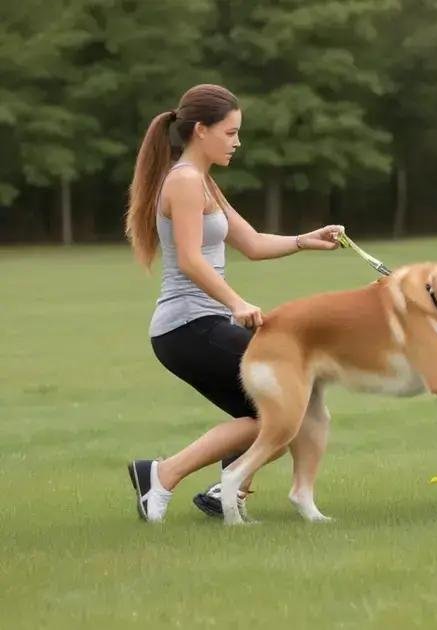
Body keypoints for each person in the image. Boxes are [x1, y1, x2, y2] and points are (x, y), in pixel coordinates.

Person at [123, 83, 345, 522]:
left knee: (279, 415)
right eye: (230, 132)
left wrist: (305, 240)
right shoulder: (184, 181)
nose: (237, 142)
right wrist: (237, 302)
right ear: (201, 130)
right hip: (188, 327)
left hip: (198, 325)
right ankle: (164, 476)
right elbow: (189, 259)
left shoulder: (203, 182)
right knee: (288, 408)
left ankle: (222, 491)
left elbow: (253, 243)